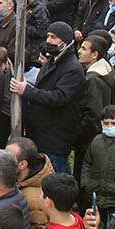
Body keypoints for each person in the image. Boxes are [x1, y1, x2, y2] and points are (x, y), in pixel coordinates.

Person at [9, 21, 84, 173]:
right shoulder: (53, 60)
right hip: (41, 131)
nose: (48, 40)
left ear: (65, 41)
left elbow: (59, 97)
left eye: (53, 37)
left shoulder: (73, 68)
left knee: (54, 173)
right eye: (48, 36)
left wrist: (27, 91)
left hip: (55, 136)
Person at [83, 105, 115, 220]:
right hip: (96, 198)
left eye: (113, 123)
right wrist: (86, 184)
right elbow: (87, 163)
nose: (109, 126)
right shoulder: (96, 141)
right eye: (106, 123)